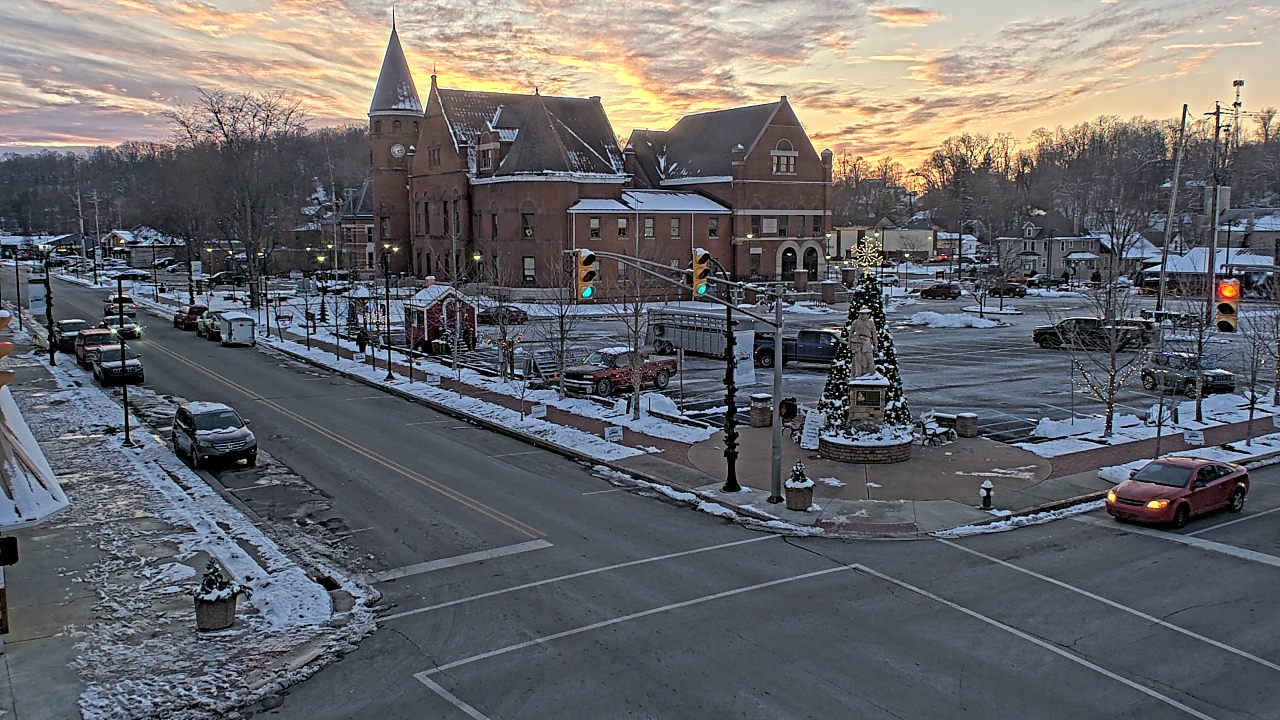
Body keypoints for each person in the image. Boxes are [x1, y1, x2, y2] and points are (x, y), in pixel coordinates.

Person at [849, 308, 877, 377]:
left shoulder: (870, 323)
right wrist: (850, 343)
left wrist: (876, 345)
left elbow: (874, 334)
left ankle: (872, 373)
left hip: (867, 341)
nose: (863, 316)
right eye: (861, 314)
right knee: (857, 359)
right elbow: (850, 333)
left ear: (867, 315)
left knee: (870, 359)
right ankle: (858, 374)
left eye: (864, 314)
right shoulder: (855, 322)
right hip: (857, 342)